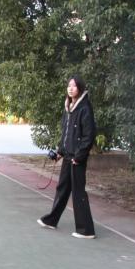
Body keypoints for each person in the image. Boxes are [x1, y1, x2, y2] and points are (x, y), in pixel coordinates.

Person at [37, 75, 97, 239]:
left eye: (74, 86)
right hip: (68, 156)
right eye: (69, 86)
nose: (71, 88)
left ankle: (86, 230)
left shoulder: (85, 108)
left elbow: (89, 135)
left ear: (80, 88)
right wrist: (60, 152)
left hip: (77, 158)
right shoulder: (68, 107)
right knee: (62, 189)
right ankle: (51, 220)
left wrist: (79, 156)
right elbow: (66, 134)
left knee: (78, 193)